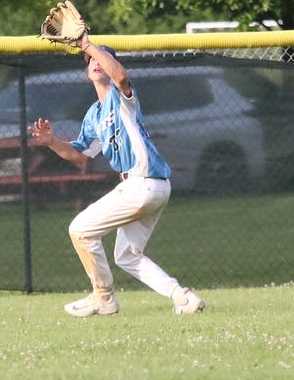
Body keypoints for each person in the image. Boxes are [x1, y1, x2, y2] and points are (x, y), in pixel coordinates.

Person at [28, 32, 205, 317]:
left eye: (102, 58)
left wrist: (88, 46)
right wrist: (52, 142)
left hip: (143, 183)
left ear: (110, 64)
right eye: (90, 61)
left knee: (80, 230)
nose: (95, 62)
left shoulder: (122, 99)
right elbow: (80, 156)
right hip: (150, 187)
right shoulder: (94, 116)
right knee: (127, 255)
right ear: (87, 73)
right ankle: (183, 298)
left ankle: (104, 298)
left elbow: (121, 78)